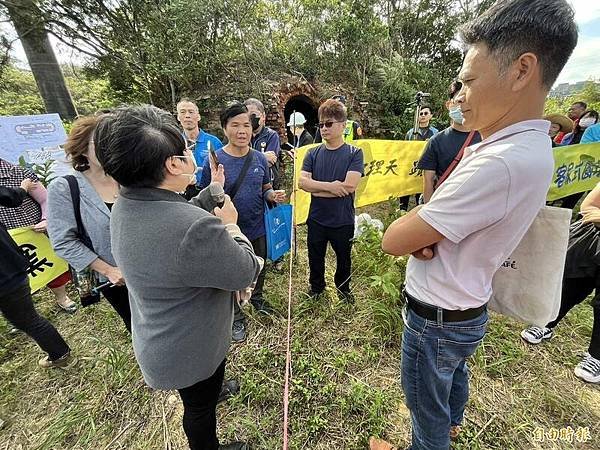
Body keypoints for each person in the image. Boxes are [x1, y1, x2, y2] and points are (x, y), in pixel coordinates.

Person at [377, 1, 577, 449]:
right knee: (451, 382)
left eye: (468, 80)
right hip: (466, 306)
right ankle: (452, 425)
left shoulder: (498, 164)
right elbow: (429, 231)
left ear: (522, 70)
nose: (459, 96)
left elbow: (394, 238)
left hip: (435, 317)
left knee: (424, 411)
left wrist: (421, 231)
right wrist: (428, 230)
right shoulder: (528, 146)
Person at [94, 104, 261, 450]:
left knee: (202, 394)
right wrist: (230, 223)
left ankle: (215, 390)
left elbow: (175, 214)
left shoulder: (126, 204)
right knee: (198, 410)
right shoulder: (193, 229)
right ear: (172, 164)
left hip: (164, 337)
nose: (190, 154)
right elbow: (244, 269)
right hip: (191, 348)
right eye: (185, 150)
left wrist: (212, 191)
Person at [200, 102, 286, 341]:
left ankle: (257, 298)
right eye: (235, 125)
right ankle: (236, 316)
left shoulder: (259, 159)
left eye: (246, 125)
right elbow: (206, 197)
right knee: (230, 272)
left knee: (258, 265)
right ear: (224, 129)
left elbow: (265, 188)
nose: (242, 131)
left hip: (257, 226)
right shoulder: (216, 160)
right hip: (228, 230)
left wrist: (273, 195)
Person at [47, 115, 132, 333]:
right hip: (117, 277)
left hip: (150, 267)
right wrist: (109, 270)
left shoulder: (128, 177)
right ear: (83, 148)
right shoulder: (65, 187)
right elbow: (63, 241)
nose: (110, 147)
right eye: (101, 142)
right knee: (138, 325)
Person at [521, 184, 600, 384]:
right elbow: (589, 206)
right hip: (592, 242)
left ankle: (596, 356)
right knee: (570, 286)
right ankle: (546, 324)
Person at [1, 182, 72, 369]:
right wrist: (23, 188)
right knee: (27, 317)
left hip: (5, 274)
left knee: (27, 319)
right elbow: (11, 197)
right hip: (11, 264)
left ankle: (60, 354)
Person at [299, 99, 364, 302]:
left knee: (344, 258)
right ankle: (317, 288)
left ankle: (344, 289)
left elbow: (349, 187)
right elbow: (302, 183)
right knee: (314, 257)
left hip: (342, 219)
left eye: (329, 124)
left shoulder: (354, 153)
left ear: (343, 125)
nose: (324, 128)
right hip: (317, 218)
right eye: (321, 124)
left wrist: (318, 188)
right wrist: (332, 187)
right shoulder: (312, 152)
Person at [0, 158, 77, 313]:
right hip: (7, 239)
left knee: (51, 265)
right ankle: (26, 310)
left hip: (34, 232)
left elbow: (45, 199)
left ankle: (62, 297)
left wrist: (45, 219)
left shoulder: (20, 173)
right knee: (17, 277)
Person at [417, 80, 482, 203]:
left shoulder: (485, 138)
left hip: (475, 205)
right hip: (444, 206)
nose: (463, 105)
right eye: (458, 101)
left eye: (468, 100)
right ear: (448, 104)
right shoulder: (436, 141)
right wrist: (428, 209)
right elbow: (428, 181)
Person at [177, 98, 223, 179]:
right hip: (183, 188)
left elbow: (222, 169)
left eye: (191, 112)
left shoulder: (213, 142)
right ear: (178, 117)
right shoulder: (175, 143)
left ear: (198, 117)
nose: (187, 116)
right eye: (182, 112)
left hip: (208, 189)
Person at [244, 98, 282, 189]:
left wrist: (245, 158)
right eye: (247, 115)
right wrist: (262, 157)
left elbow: (269, 162)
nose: (250, 118)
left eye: (253, 114)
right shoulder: (241, 136)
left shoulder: (271, 136)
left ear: (263, 116)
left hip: (267, 186)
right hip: (246, 183)